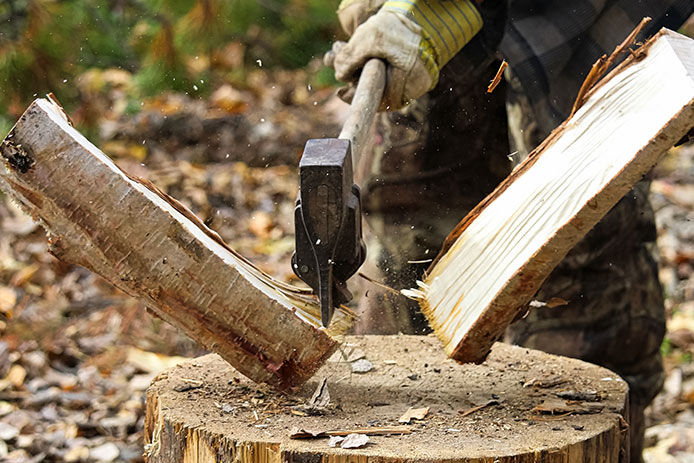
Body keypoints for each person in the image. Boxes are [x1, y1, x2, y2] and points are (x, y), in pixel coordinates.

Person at [325, 1, 694, 461]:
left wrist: (450, 9)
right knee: (406, 266)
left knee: (575, 271)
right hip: (413, 34)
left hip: (574, 34)